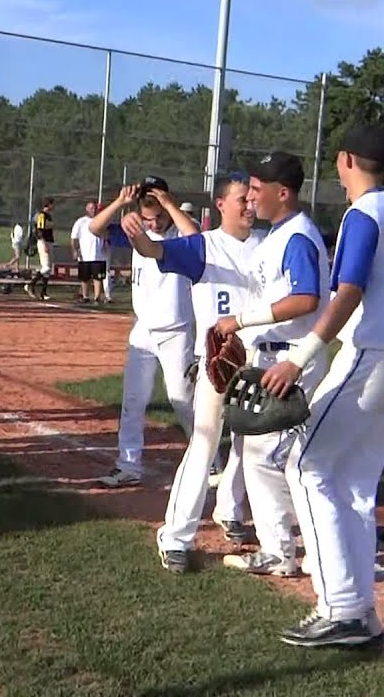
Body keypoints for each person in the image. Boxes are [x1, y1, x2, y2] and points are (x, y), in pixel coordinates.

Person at [261, 124, 384, 647]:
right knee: (354, 487)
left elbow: (350, 290)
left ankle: (340, 609)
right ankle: (360, 612)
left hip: (371, 358)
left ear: (346, 159)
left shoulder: (364, 213)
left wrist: (299, 356)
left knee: (305, 466)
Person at [118, 174, 264, 573]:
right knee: (203, 443)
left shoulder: (269, 246)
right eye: (241, 199)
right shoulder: (203, 245)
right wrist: (138, 239)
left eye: (253, 199)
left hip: (258, 363)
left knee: (251, 445)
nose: (250, 205)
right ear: (221, 204)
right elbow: (155, 251)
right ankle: (176, 536)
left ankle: (231, 509)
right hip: (218, 364)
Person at [211, 152, 330, 578]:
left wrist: (240, 321)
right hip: (274, 354)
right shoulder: (280, 234)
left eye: (258, 191)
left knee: (270, 455)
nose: (251, 199)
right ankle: (294, 547)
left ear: (284, 193)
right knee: (265, 453)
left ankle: (285, 552)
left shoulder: (296, 236)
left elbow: (306, 299)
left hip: (291, 358)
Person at [87, 185, 198, 488]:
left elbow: (196, 237)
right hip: (144, 330)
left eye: (158, 217)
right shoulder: (136, 231)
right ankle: (128, 465)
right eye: (148, 218)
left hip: (177, 330)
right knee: (133, 400)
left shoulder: (180, 232)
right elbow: (95, 227)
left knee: (183, 400)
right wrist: (121, 202)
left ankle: (208, 462)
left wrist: (168, 203)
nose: (154, 224)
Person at [71, 201, 108, 304]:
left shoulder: (101, 220)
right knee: (85, 278)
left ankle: (97, 297)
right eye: (91, 208)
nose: (93, 210)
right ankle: (85, 296)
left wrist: (105, 244)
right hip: (85, 255)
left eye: (95, 208)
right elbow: (74, 237)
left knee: (98, 277)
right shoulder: (81, 222)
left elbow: (106, 235)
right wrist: (75, 250)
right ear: (87, 209)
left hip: (99, 255)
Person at [25, 197, 56, 300]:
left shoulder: (49, 216)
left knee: (48, 270)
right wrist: (44, 243)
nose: (53, 206)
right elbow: (39, 230)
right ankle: (30, 284)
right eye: (52, 204)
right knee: (46, 267)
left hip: (49, 242)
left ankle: (44, 292)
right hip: (44, 242)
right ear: (48, 205)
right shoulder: (42, 215)